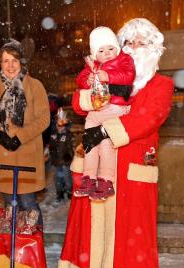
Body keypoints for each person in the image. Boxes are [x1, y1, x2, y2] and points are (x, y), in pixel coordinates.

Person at [57, 18, 173, 268]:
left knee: (131, 234)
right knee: (91, 226)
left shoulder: (160, 84)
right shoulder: (110, 74)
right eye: (128, 43)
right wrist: (90, 97)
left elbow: (148, 118)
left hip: (133, 166)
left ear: (154, 49)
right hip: (98, 164)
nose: (134, 48)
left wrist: (105, 130)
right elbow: (78, 102)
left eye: (141, 43)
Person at [0, 40, 49, 227]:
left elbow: (43, 119)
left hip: (28, 155)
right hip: (3, 156)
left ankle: (34, 243)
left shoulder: (35, 86)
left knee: (28, 204)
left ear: (21, 62)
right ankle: (15, 243)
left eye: (14, 60)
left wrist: (21, 137)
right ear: (0, 63)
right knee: (10, 207)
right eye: (5, 61)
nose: (10, 66)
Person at [72, 26, 135, 201]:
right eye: (101, 50)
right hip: (96, 109)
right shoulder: (92, 65)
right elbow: (80, 80)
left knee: (107, 144)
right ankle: (88, 177)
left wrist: (108, 76)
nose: (107, 53)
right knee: (89, 142)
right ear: (95, 54)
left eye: (110, 48)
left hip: (114, 108)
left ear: (117, 48)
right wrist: (87, 80)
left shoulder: (124, 59)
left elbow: (128, 75)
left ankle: (106, 180)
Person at [48, 108, 74, 202]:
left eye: (62, 125)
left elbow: (72, 147)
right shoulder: (53, 135)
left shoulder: (68, 135)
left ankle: (69, 191)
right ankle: (60, 193)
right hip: (56, 161)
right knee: (58, 178)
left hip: (65, 161)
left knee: (67, 177)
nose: (60, 127)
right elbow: (51, 147)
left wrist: (70, 155)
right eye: (58, 125)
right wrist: (50, 153)